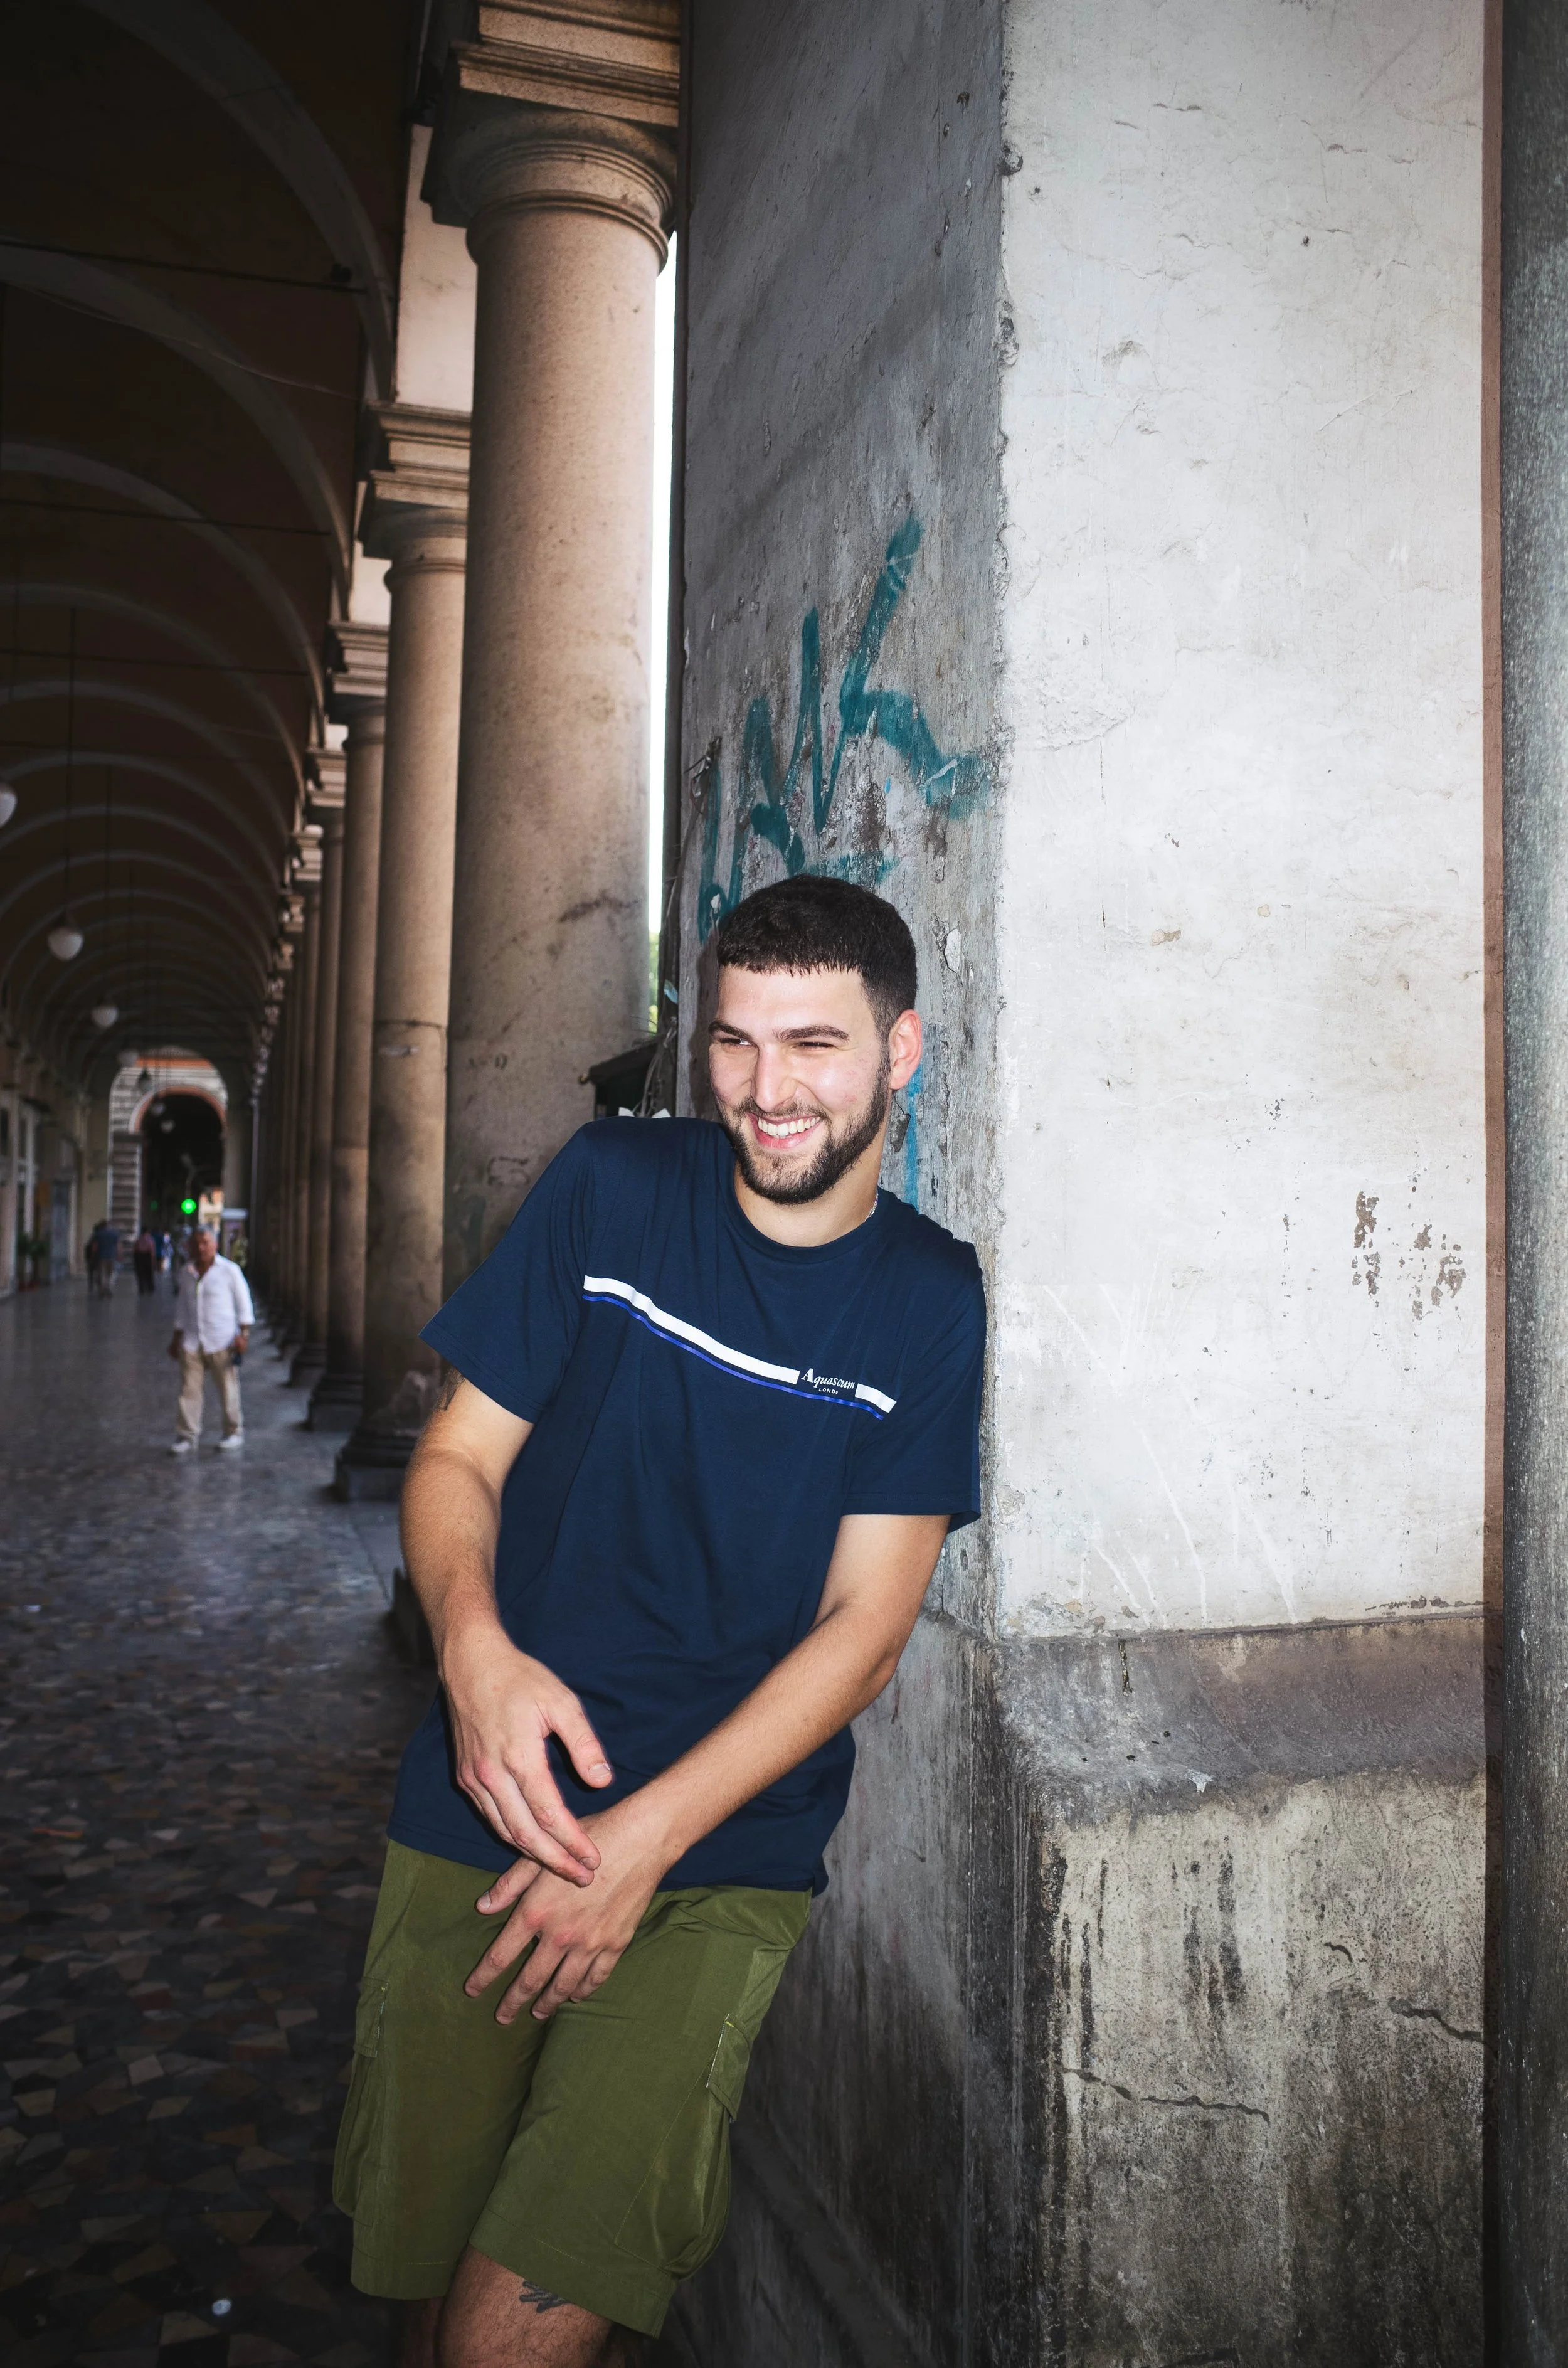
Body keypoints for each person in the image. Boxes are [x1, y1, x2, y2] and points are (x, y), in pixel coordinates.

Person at [334, 877, 986, 2367]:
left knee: (515, 2326)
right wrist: (472, 1654)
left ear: (903, 1054)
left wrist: (645, 1841)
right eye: (738, 1042)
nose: (768, 1090)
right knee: (429, 2280)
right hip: (485, 1801)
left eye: (815, 1045)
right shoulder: (611, 1190)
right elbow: (455, 1462)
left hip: (716, 1853)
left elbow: (866, 1628)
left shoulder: (930, 1300)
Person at [167, 1224, 253, 1453]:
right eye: (197, 1243)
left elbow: (244, 1305)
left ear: (215, 1244)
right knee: (189, 1391)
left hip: (222, 1340)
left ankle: (233, 1432)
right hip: (192, 1340)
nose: (201, 1247)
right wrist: (176, 1339)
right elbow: (182, 1309)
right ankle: (187, 1436)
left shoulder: (230, 1271)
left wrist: (244, 1335)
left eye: (206, 1242)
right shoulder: (186, 1273)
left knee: (228, 1389)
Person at [90, 1216, 119, 1297]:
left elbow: (95, 1247)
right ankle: (108, 1288)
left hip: (101, 1257)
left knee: (101, 1274)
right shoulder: (114, 1234)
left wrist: (93, 1256)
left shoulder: (98, 1234)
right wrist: (119, 1255)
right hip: (111, 1256)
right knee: (110, 1274)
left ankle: (102, 1290)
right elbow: (118, 1246)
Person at [132, 1225, 157, 1295]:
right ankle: (150, 1287)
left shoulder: (139, 1239)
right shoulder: (150, 1239)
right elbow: (152, 1250)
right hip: (147, 1256)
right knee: (149, 1273)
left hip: (140, 1256)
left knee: (140, 1273)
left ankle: (142, 1288)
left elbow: (135, 1249)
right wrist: (153, 1260)